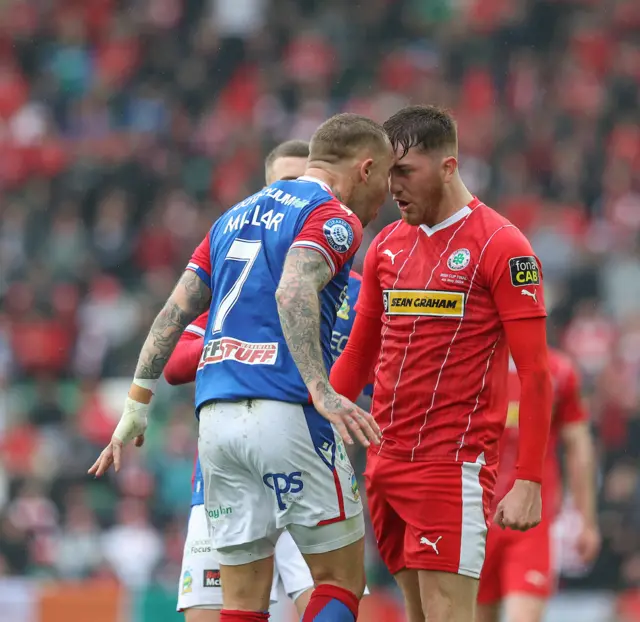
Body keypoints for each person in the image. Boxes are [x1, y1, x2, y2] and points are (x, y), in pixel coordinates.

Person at [89, 112, 393, 622]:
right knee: (342, 580)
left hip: (216, 424)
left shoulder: (230, 219)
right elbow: (293, 287)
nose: (385, 195)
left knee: (244, 600)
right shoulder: (334, 217)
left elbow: (173, 312)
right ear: (364, 169)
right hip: (286, 411)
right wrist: (320, 388)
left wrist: (137, 405)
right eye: (384, 179)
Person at [330, 104, 553, 622]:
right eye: (388, 175)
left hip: (451, 467)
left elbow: (536, 373)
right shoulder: (385, 244)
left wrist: (529, 481)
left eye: (405, 172)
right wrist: (308, 410)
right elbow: (360, 355)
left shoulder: (502, 245)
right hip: (383, 462)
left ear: (449, 166)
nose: (394, 188)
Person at [167, 140, 315, 622]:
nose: (292, 199)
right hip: (221, 482)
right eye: (282, 186)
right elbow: (173, 365)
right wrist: (243, 343)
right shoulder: (232, 288)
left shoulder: (344, 289)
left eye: (305, 186)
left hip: (304, 472)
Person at [476, 349, 601, 622]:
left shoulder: (558, 372)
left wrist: (587, 520)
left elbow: (578, 446)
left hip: (531, 523)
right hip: (475, 520)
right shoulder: (472, 364)